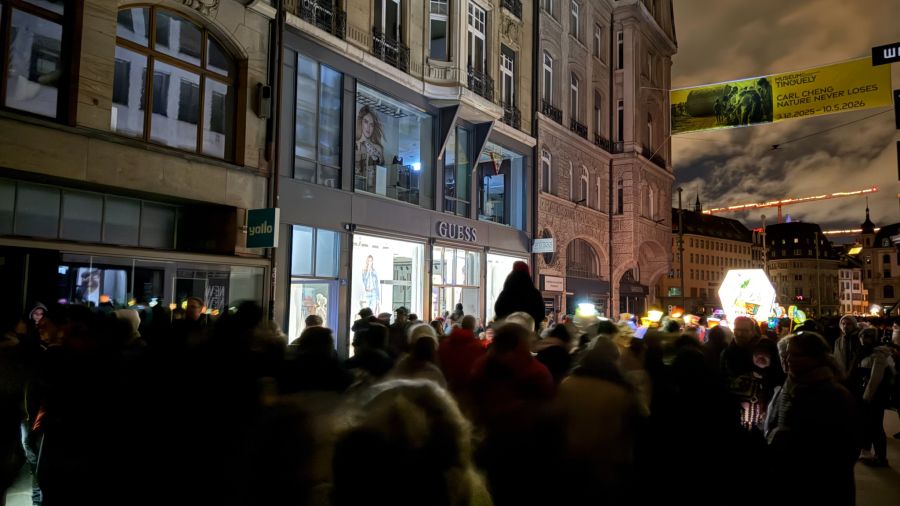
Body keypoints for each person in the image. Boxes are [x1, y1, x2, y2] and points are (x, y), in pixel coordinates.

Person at [766, 332, 857, 506]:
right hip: (786, 479)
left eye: (797, 355)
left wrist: (791, 441)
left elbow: (845, 450)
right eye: (787, 354)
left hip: (819, 488)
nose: (789, 359)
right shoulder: (787, 387)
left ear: (816, 358)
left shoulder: (835, 395)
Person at [493, 261, 544, 331]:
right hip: (529, 332)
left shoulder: (506, 292)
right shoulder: (534, 293)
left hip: (508, 331)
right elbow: (541, 314)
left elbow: (498, 309)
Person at [355, 105, 385, 192]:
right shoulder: (353, 144)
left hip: (375, 189)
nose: (368, 128)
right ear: (360, 122)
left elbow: (381, 174)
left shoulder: (378, 148)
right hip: (357, 186)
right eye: (366, 122)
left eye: (371, 125)